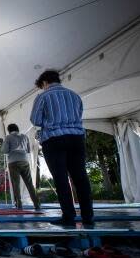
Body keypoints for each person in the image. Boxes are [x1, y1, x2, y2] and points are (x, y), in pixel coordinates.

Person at [30, 70, 93, 227]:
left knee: (61, 178)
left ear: (44, 82)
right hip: (77, 138)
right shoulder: (75, 95)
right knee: (81, 178)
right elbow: (79, 115)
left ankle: (69, 216)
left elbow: (36, 120)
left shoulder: (43, 96)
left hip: (54, 139)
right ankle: (88, 217)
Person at [2, 124, 41, 210]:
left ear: (9, 130)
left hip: (13, 161)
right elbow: (28, 150)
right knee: (29, 183)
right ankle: (36, 204)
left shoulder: (8, 137)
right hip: (24, 161)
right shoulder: (25, 136)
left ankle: (19, 204)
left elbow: (4, 150)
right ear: (17, 129)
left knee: (16, 184)